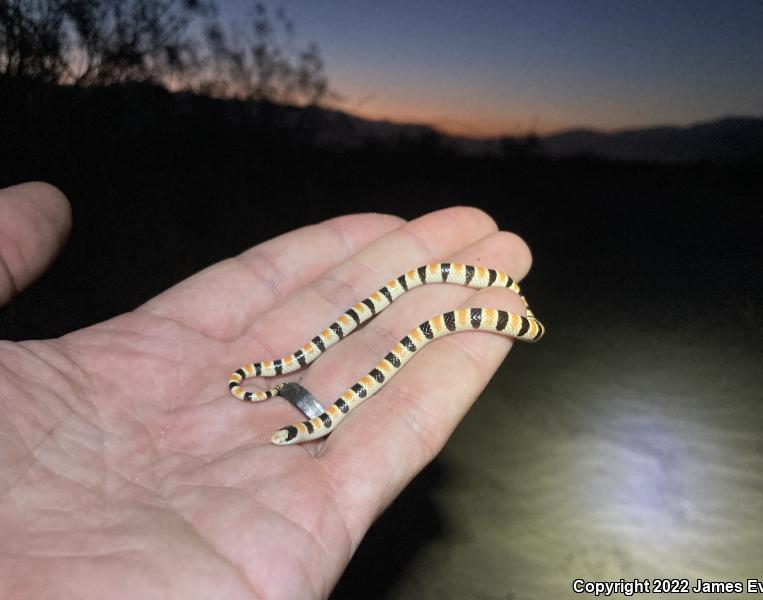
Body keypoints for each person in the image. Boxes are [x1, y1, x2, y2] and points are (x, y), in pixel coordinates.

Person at [0, 182, 534, 599]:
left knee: (474, 319)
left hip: (333, 375)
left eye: (294, 432)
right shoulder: (290, 399)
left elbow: (528, 329)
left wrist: (502, 296)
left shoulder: (302, 402)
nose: (283, 438)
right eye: (294, 432)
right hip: (301, 391)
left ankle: (503, 294)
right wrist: (273, 394)